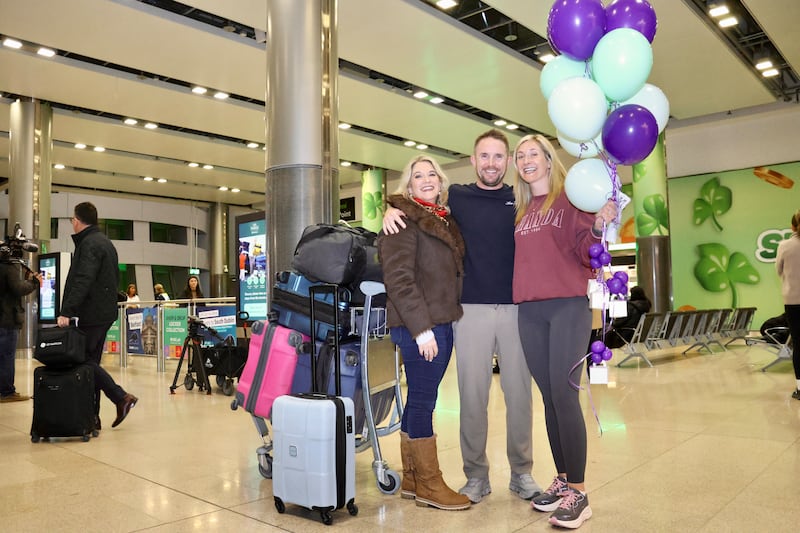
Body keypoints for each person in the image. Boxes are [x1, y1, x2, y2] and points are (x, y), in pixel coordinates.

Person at [384, 129, 539, 503]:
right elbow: (415, 206)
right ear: (473, 161)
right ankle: (476, 475)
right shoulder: (459, 198)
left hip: (518, 310)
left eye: (498, 157)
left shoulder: (521, 198)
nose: (490, 163)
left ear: (510, 161)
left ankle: (522, 473)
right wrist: (391, 209)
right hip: (469, 312)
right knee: (472, 397)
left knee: (519, 395)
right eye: (483, 156)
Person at [512, 134, 617, 529]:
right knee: (550, 398)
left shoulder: (570, 199)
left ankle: (580, 492)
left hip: (568, 307)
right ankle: (562, 478)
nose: (526, 160)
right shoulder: (522, 210)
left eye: (533, 153)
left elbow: (585, 252)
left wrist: (598, 226)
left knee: (565, 395)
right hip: (530, 310)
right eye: (520, 156)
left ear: (548, 158)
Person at [377, 155, 470, 511]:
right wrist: (421, 330)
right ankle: (430, 483)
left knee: (418, 398)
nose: (427, 179)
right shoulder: (402, 221)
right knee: (424, 402)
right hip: (422, 327)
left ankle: (414, 480)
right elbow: (399, 279)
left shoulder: (439, 219)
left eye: (433, 174)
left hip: (439, 321)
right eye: (419, 175)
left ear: (441, 182)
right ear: (409, 185)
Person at [57, 202, 138, 429]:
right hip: (102, 312)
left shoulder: (89, 244)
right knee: (90, 363)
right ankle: (93, 417)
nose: (72, 223)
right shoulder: (104, 242)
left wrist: (67, 311)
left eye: (72, 219)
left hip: (93, 313)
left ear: (77, 220)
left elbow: (84, 279)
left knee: (82, 359)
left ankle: (120, 397)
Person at [0, 258, 41, 401]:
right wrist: (34, 282)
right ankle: (6, 392)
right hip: (6, 318)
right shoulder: (7, 266)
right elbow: (17, 288)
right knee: (6, 356)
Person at [776, 209, 800, 400]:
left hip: (793, 301)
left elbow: (779, 270)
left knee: (798, 345)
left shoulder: (785, 245)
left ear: (792, 226)